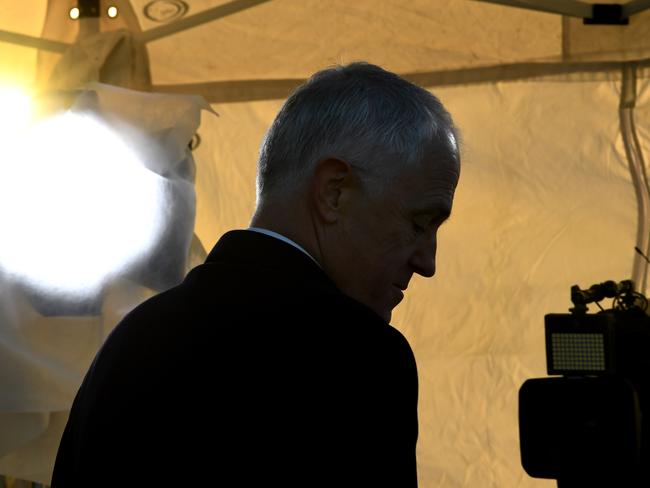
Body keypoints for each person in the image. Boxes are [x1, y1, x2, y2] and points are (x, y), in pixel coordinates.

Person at [51, 62, 460, 487]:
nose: (427, 262)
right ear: (334, 192)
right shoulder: (358, 357)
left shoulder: (130, 340)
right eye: (419, 222)